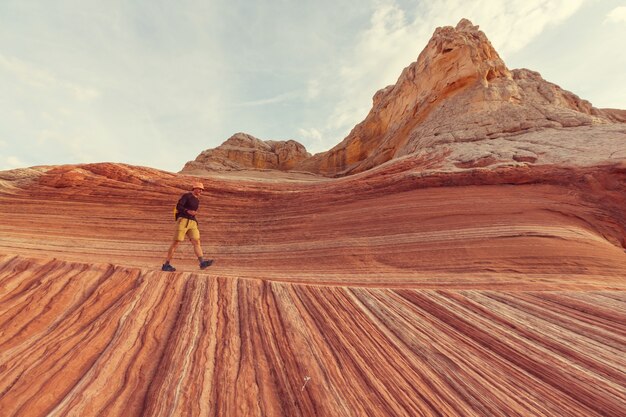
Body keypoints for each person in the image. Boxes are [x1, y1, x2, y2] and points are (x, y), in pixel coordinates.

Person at [162, 182, 213, 271]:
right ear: (194, 188)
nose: (201, 191)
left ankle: (202, 262)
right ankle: (166, 264)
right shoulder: (187, 196)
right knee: (176, 243)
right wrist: (187, 211)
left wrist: (195, 221)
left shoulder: (197, 200)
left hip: (192, 222)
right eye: (199, 189)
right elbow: (179, 206)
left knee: (196, 242)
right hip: (183, 221)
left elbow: (192, 212)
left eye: (202, 189)